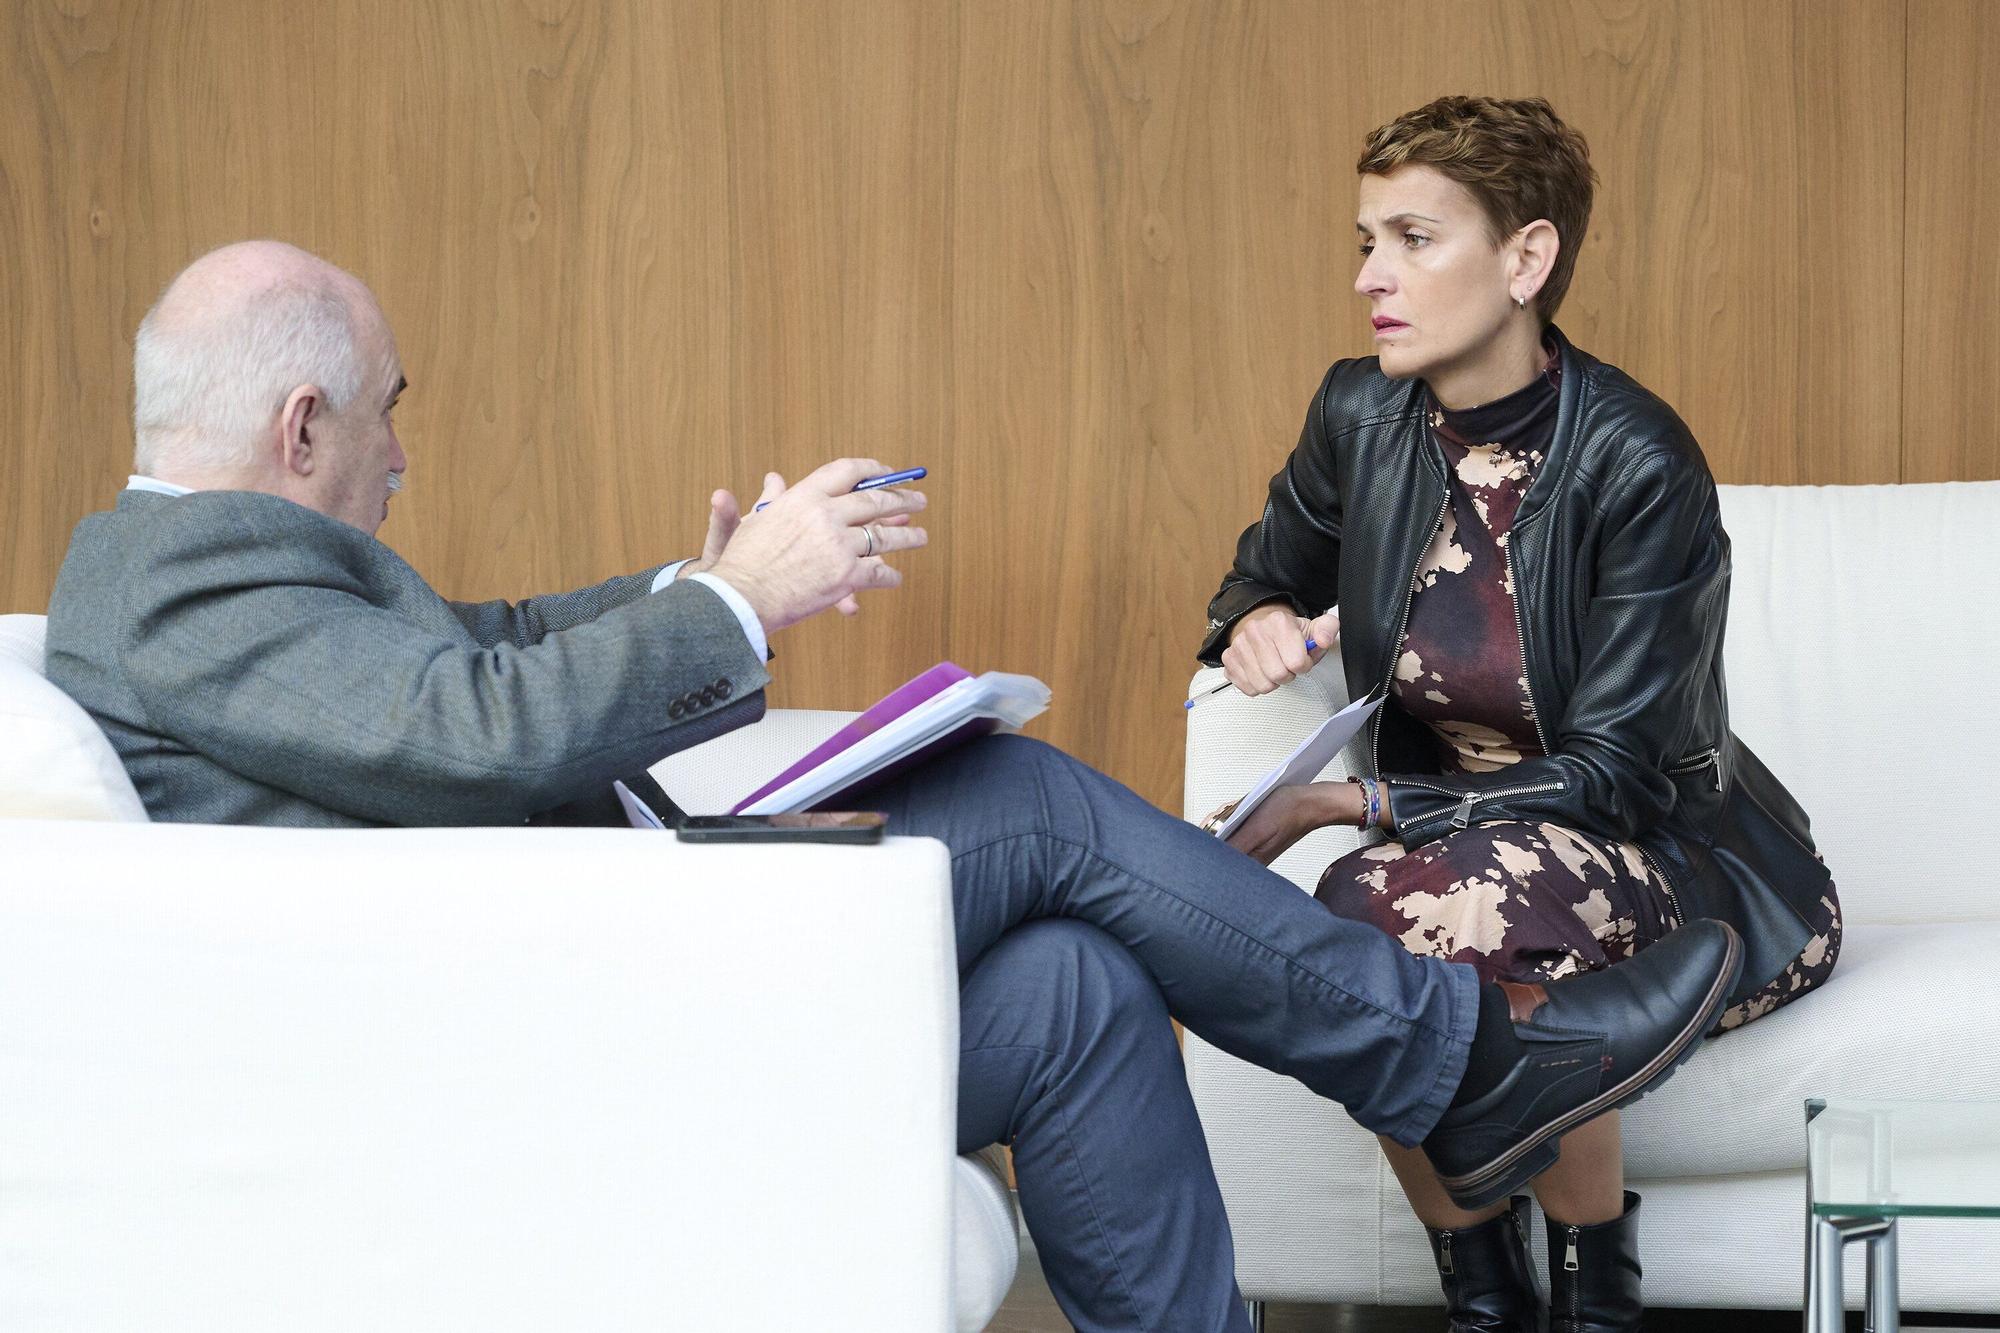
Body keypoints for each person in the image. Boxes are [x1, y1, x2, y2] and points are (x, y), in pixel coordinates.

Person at [48, 240, 1742, 1332]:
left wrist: (688, 596)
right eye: (387, 418)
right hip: (553, 1039)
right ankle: (1464, 1061)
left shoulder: (222, 574)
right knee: (1016, 797)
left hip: (582, 984)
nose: (402, 453)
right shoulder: (182, 587)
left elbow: (466, 663)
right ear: (295, 429)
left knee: (1075, 986)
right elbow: (475, 730)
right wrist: (739, 602)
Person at [1201, 96, 1840, 1333]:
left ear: (1525, 259)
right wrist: (1255, 619)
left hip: (1682, 867)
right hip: (1456, 859)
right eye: (1363, 240)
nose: (1366, 277)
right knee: (1412, 920)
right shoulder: (1358, 416)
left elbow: (1617, 776)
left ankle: (1580, 1284)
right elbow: (1260, 570)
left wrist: (1353, 801)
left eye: (1410, 240)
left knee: (1380, 912)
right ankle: (1501, 1293)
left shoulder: (1635, 462)